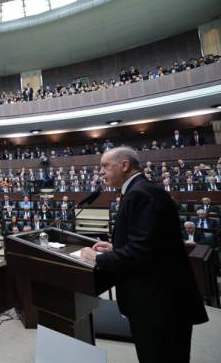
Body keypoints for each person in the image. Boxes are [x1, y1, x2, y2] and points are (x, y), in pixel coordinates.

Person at [80, 147, 208, 363]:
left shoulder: (142, 193)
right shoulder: (140, 191)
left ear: (124, 165)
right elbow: (152, 242)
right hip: (157, 300)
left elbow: (142, 253)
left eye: (105, 166)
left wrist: (98, 258)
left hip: (159, 304)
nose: (100, 172)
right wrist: (115, 248)